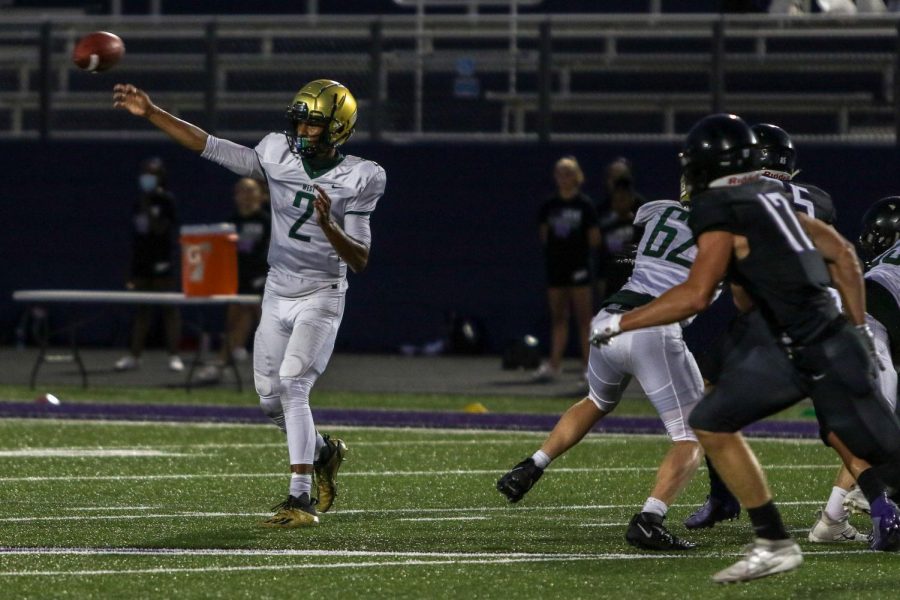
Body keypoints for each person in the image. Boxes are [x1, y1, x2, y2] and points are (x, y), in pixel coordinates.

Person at [591, 113, 900, 583]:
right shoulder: (773, 198)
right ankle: (778, 538)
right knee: (733, 420)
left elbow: (695, 295)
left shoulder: (720, 206)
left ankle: (774, 539)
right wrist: (857, 330)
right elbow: (843, 255)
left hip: (798, 344)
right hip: (826, 339)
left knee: (715, 420)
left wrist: (622, 320)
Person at [113, 78, 385, 527]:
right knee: (268, 400)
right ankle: (324, 451)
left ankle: (300, 497)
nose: (302, 131)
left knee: (294, 384)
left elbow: (359, 259)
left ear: (338, 128)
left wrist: (329, 226)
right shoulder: (277, 152)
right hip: (278, 287)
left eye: (313, 124)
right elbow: (212, 146)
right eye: (298, 121)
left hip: (321, 290)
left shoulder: (361, 175)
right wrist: (153, 112)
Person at [499, 193, 714, 550]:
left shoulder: (656, 208)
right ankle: (650, 519)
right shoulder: (729, 226)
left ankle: (532, 464)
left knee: (596, 400)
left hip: (609, 318)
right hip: (653, 325)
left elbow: (629, 251)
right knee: (692, 433)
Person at [817, 197, 900, 525]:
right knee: (877, 428)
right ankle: (876, 491)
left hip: (847, 324)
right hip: (867, 326)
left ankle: (832, 520)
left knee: (872, 426)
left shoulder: (884, 263)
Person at [532, 156, 600, 382]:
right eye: (559, 173)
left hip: (579, 267)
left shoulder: (584, 205)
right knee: (559, 317)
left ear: (577, 176)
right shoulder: (549, 206)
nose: (563, 177)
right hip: (556, 267)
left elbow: (594, 239)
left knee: (584, 318)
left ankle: (589, 366)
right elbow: (544, 236)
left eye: (568, 173)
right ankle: (554, 364)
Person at [197, 178, 271, 383]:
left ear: (261, 195)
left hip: (262, 282)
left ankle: (222, 363)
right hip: (238, 282)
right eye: (242, 191)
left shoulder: (267, 222)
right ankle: (225, 361)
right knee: (234, 324)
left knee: (267, 326)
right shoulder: (231, 223)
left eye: (251, 191)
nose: (246, 196)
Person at [114, 157, 184, 373]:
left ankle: (174, 356)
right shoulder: (138, 202)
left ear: (161, 177)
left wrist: (148, 207)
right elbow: (137, 237)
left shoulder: (166, 201)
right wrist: (130, 270)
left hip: (162, 261)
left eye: (152, 174)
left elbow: (161, 230)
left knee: (169, 309)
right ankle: (134, 356)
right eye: (145, 173)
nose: (147, 178)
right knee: (142, 310)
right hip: (141, 262)